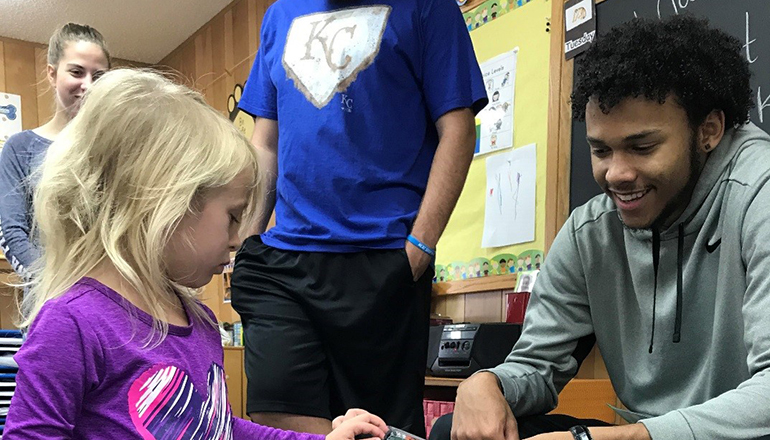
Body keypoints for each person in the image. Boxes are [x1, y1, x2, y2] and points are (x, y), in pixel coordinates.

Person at [430, 15, 770, 440]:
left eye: (642, 147)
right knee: (453, 432)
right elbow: (535, 368)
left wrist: (624, 437)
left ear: (709, 130)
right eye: (601, 150)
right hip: (643, 434)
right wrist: (487, 384)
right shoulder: (590, 233)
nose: (616, 174)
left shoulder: (759, 192)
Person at [3, 69, 388, 440]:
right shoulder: (71, 324)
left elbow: (220, 428)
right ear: (165, 203)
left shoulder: (200, 321)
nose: (238, 239)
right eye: (232, 216)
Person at [231, 0, 487, 436]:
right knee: (278, 412)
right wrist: (247, 242)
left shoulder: (428, 8)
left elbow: (458, 129)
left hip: (383, 261)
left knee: (375, 428)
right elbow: (265, 142)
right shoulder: (279, 15)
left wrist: (419, 248)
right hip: (283, 262)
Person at [0, 23, 111, 278]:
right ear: (52, 74)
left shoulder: (113, 150)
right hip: (49, 299)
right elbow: (13, 233)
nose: (88, 85)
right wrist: (57, 287)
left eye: (99, 76)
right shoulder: (20, 148)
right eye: (76, 72)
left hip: (108, 300)